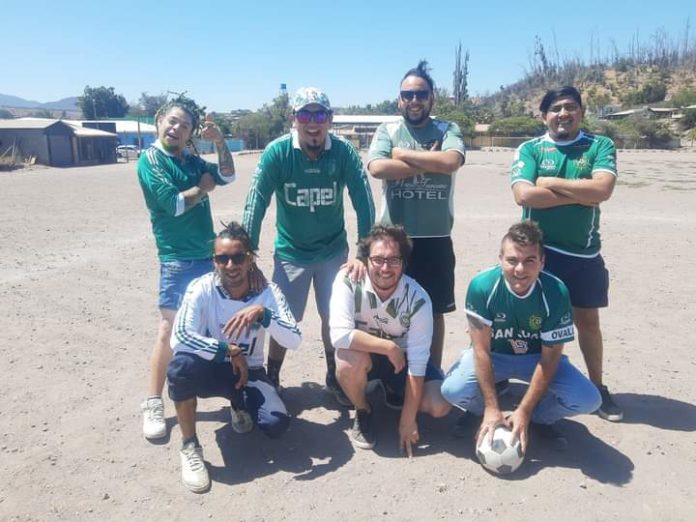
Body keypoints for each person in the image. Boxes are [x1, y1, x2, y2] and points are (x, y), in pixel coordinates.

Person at [242, 87, 375, 404]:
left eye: (319, 115)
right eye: (305, 114)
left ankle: (334, 376)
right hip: (291, 252)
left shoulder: (343, 152)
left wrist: (363, 253)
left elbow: (365, 203)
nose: (312, 122)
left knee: (335, 318)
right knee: (285, 318)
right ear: (294, 119)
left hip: (333, 252)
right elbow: (255, 202)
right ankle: (273, 375)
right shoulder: (278, 152)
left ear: (330, 119)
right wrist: (246, 255)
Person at [510, 86, 622, 421]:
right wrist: (580, 194)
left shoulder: (599, 145)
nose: (563, 114)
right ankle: (519, 383)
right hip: (536, 253)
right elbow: (524, 196)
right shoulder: (530, 148)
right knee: (527, 322)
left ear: (581, 112)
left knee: (588, 322)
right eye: (555, 108)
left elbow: (602, 189)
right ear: (544, 115)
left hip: (584, 254)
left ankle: (598, 386)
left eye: (570, 107)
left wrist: (549, 182)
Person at [440, 221, 601, 453]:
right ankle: (482, 413)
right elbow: (481, 350)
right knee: (452, 389)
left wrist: (525, 410)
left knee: (589, 399)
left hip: (536, 359)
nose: (520, 270)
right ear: (500, 259)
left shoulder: (556, 292)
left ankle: (538, 417)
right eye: (512, 260)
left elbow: (550, 359)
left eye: (529, 261)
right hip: (495, 356)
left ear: (542, 262)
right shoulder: (482, 287)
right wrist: (491, 406)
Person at [167, 222, 301, 492]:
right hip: (211, 367)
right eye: (222, 258)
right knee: (181, 366)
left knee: (276, 424)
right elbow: (179, 336)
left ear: (250, 258)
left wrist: (263, 314)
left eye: (238, 257)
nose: (231, 265)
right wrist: (227, 350)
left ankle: (239, 403)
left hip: (249, 371)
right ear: (214, 261)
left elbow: (293, 339)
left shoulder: (269, 292)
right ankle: (190, 446)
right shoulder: (201, 287)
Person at [137, 101, 236, 440]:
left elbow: (227, 175)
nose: (177, 129)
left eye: (184, 126)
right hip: (176, 259)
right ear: (158, 122)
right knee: (169, 330)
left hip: (207, 257)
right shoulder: (150, 161)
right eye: (172, 121)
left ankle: (235, 398)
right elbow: (175, 204)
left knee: (214, 325)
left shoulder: (190, 160)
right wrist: (203, 189)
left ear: (191, 134)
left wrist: (220, 143)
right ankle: (153, 402)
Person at [367, 60, 466, 370]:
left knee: (433, 310)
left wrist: (403, 156)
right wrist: (429, 160)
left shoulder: (447, 128)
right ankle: (390, 372)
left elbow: (451, 162)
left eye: (420, 94)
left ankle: (431, 374)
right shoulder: (388, 129)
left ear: (431, 98)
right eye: (407, 95)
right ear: (399, 99)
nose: (414, 101)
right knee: (388, 305)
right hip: (393, 240)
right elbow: (378, 168)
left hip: (436, 236)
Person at [329, 225, 451, 455]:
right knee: (346, 360)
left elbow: (416, 364)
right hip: (368, 355)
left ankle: (395, 392)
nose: (385, 268)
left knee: (440, 406)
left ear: (404, 263)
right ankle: (363, 410)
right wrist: (387, 346)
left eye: (394, 260)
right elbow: (339, 335)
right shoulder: (348, 281)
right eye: (378, 259)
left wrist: (407, 420)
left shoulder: (418, 299)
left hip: (403, 362)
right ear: (366, 260)